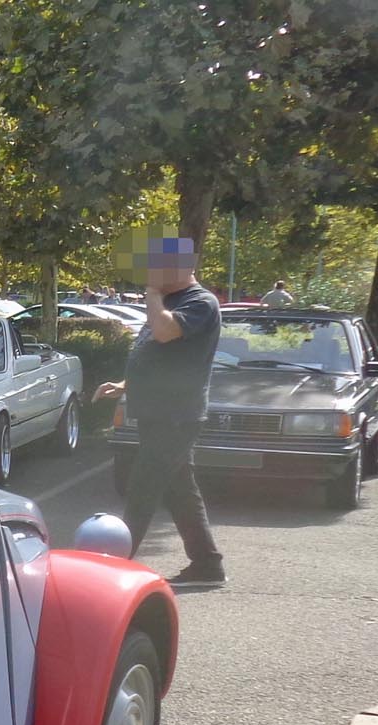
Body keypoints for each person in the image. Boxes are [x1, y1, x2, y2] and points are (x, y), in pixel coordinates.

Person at [93, 233, 226, 586]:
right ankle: (208, 565)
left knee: (142, 487)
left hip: (176, 416)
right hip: (159, 413)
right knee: (181, 491)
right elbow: (158, 353)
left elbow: (166, 333)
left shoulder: (201, 302)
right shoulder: (170, 299)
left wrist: (152, 294)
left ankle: (115, 568)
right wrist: (125, 385)